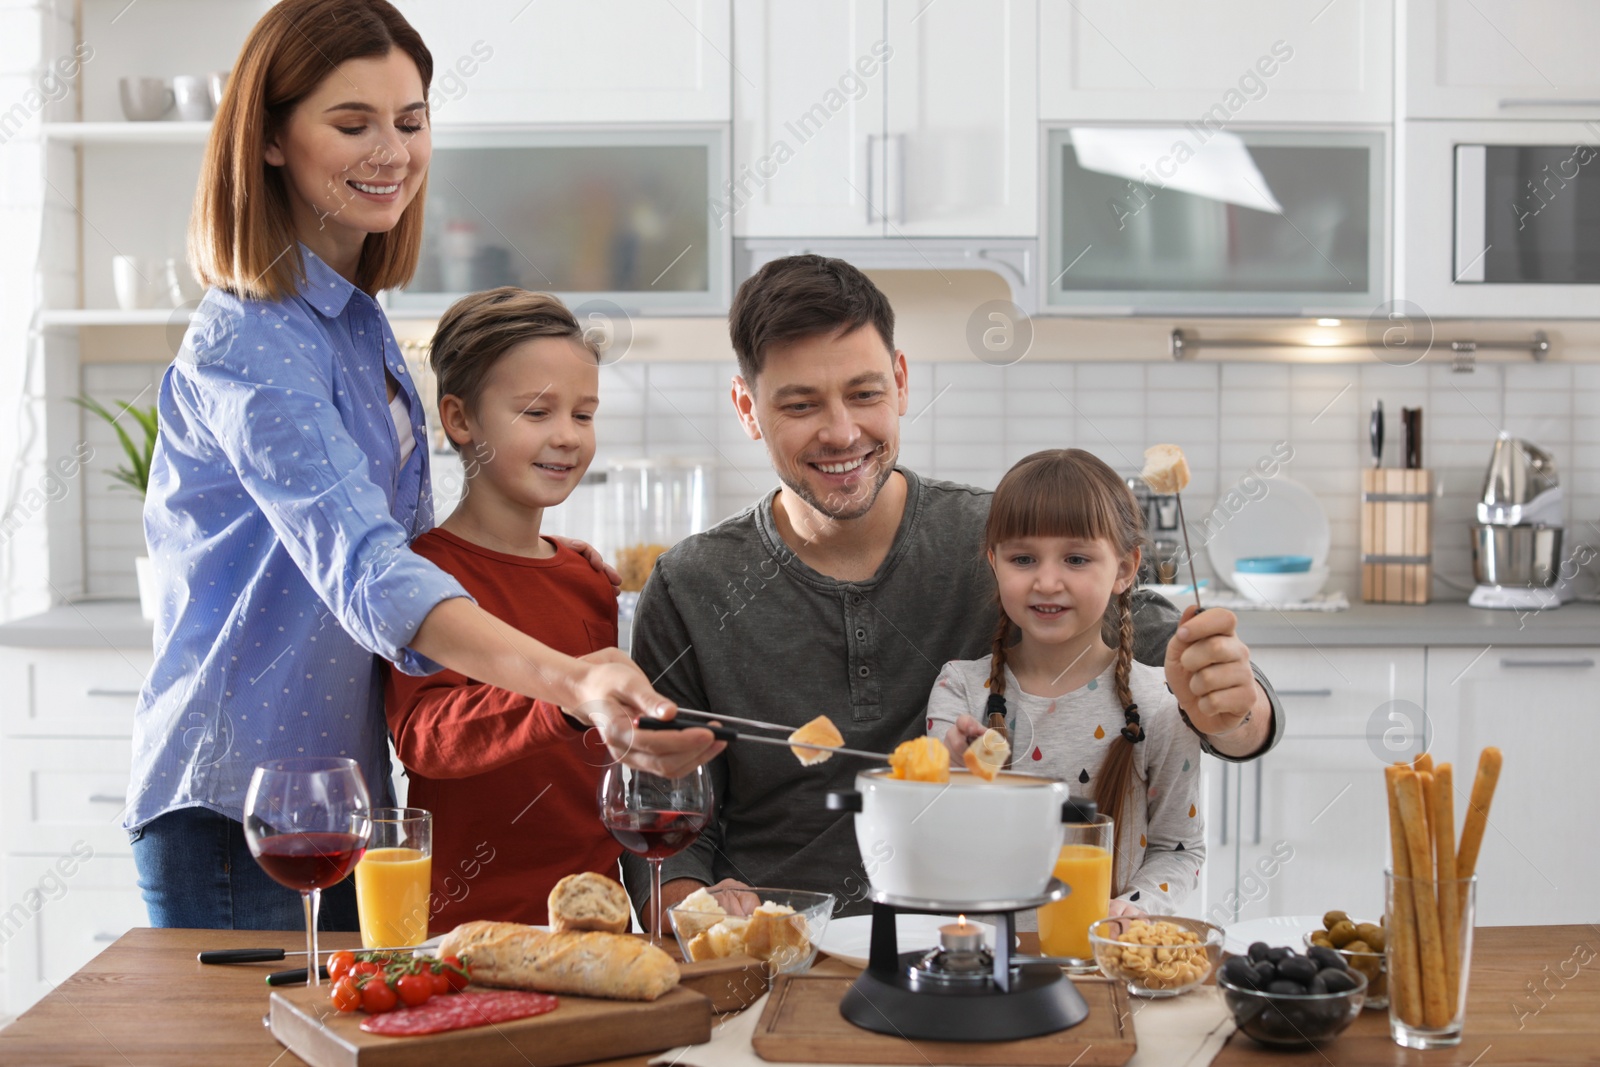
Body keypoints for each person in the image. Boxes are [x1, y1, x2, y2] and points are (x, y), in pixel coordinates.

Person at [128, 0, 720, 931]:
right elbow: (369, 568)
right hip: (238, 809)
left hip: (338, 797)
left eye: (410, 122)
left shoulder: (360, 329)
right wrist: (567, 682)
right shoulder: (250, 335)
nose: (391, 152)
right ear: (272, 138)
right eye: (352, 122)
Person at [624, 254, 1280, 921]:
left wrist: (1235, 711)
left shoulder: (1000, 543)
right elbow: (667, 813)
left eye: (865, 393)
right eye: (800, 404)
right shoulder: (690, 585)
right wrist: (692, 909)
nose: (843, 431)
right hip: (772, 947)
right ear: (747, 408)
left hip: (965, 946)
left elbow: (1191, 675)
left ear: (902, 382)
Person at [384, 288, 627, 931]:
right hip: (466, 928)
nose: (567, 437)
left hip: (596, 923)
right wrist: (563, 698)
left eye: (584, 414)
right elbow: (424, 736)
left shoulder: (588, 579)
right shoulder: (422, 578)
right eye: (537, 412)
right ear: (460, 420)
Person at [928, 449, 1204, 916]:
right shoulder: (960, 691)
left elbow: (1180, 851)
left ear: (1124, 569)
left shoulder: (1159, 704)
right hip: (987, 959)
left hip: (1103, 964)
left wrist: (1135, 910)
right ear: (994, 562)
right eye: (1024, 559)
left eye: (1076, 559)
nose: (1048, 581)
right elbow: (936, 839)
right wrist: (949, 775)